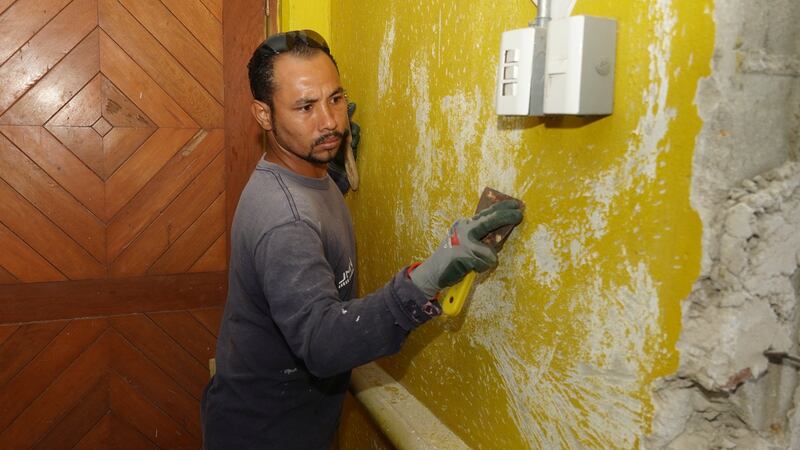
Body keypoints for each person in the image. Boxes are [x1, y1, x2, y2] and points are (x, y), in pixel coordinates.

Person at [200, 29, 523, 449]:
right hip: (265, 435)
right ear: (263, 115)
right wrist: (431, 274)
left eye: (334, 99)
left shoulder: (300, 174)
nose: (330, 121)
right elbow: (322, 344)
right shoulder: (287, 221)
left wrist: (333, 171)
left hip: (288, 420)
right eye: (305, 107)